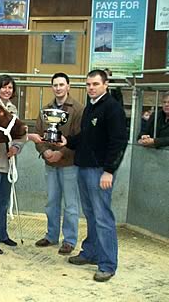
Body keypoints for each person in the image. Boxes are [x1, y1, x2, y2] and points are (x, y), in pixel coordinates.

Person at [60, 69, 128, 282]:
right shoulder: (91, 106)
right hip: (84, 167)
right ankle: (91, 252)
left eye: (95, 84)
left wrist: (109, 170)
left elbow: (118, 142)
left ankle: (107, 264)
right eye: (88, 84)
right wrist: (68, 142)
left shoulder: (112, 108)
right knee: (90, 214)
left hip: (100, 171)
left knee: (103, 217)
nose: (91, 87)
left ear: (105, 84)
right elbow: (87, 136)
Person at [0, 75, 42, 254]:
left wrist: (16, 147)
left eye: (10, 88)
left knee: (3, 200)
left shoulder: (13, 109)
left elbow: (20, 133)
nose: (7, 90)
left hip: (9, 161)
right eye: (4, 87)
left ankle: (1, 233)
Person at [34, 72, 84, 255]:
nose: (58, 88)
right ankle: (51, 235)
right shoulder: (45, 109)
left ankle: (69, 240)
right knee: (51, 201)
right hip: (50, 164)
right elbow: (39, 134)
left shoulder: (78, 109)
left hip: (69, 164)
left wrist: (60, 153)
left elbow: (79, 137)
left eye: (62, 84)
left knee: (70, 204)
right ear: (52, 87)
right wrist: (45, 151)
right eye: (55, 85)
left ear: (68, 86)